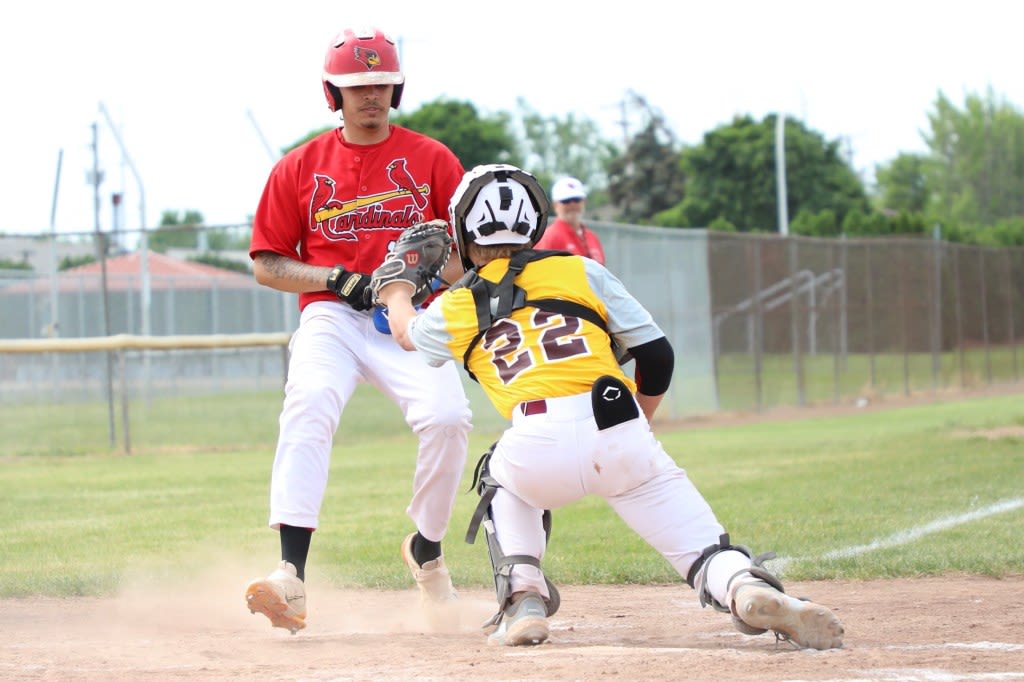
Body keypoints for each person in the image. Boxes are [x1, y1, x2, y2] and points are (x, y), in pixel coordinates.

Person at [372, 164, 845, 649]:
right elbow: (657, 355)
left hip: (534, 441)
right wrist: (639, 421)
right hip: (616, 423)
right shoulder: (580, 269)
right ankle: (742, 585)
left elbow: (405, 334)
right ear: (535, 222)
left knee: (499, 478)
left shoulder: (458, 303)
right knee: (702, 548)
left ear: (461, 231)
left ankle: (523, 599)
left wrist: (395, 286)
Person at [243, 26, 472, 635]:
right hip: (332, 316)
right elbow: (267, 262)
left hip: (412, 316)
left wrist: (427, 273)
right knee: (310, 401)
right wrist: (332, 277)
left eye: (380, 84)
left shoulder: (433, 160)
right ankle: (290, 573)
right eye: (355, 86)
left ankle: (425, 548)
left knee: (449, 420)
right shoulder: (299, 166)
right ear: (332, 93)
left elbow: (467, 256)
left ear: (395, 89)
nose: (370, 95)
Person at [533, 176, 605, 264]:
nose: (572, 204)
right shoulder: (549, 237)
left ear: (584, 201)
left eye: (576, 199)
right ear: (555, 205)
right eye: (566, 201)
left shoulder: (592, 237)